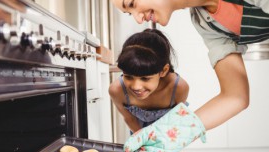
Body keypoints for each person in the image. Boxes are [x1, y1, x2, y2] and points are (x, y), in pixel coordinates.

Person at [111, 0, 269, 132]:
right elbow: (235, 96)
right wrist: (171, 138)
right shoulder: (205, 23)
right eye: (128, 12)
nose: (138, 19)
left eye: (131, 3)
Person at [109, 29, 189, 152]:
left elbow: (177, 119)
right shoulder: (117, 90)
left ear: (163, 71)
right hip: (138, 129)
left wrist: (170, 146)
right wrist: (142, 142)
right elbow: (128, 117)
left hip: (167, 132)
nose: (136, 86)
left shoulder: (178, 87)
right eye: (128, 76)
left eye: (145, 78)